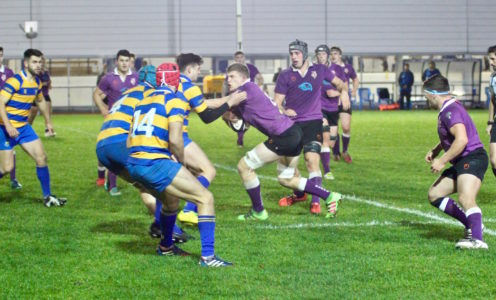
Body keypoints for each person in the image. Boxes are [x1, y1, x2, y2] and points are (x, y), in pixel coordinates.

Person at [127, 62, 233, 267]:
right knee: (205, 198)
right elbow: (175, 140)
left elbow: (129, 140)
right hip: (153, 162)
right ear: (176, 80)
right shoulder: (174, 100)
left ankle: (166, 247)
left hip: (134, 163)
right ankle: (208, 258)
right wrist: (181, 164)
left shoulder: (143, 100)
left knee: (171, 202)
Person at [226, 63, 342, 220]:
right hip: (292, 131)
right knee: (286, 178)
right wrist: (232, 119)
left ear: (243, 77)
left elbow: (219, 105)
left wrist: (200, 103)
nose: (228, 80)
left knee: (244, 166)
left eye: (232, 76)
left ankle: (258, 211)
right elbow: (242, 126)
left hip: (284, 135)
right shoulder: (244, 95)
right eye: (227, 77)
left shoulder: (247, 89)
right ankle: (329, 196)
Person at [275, 39, 350, 215]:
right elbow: (277, 103)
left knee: (311, 161)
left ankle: (316, 201)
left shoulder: (320, 70)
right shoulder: (285, 75)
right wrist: (284, 110)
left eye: (297, 53)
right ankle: (300, 194)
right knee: (289, 167)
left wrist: (344, 93)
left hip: (313, 122)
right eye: (291, 53)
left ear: (305, 54)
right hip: (292, 125)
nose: (294, 57)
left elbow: (340, 83)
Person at [173, 53, 247, 226]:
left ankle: (168, 223)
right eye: (198, 69)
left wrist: (230, 99)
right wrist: (229, 105)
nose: (199, 73)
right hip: (178, 137)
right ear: (190, 69)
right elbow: (206, 116)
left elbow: (203, 103)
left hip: (160, 136)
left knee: (184, 176)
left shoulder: (174, 84)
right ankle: (188, 210)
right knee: (208, 171)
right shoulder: (190, 87)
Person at [424, 74, 488, 249]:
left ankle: (477, 240)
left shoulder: (450, 111)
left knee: (465, 197)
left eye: (426, 94)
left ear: (433, 94)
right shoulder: (448, 109)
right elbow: (451, 136)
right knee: (434, 194)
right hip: (462, 160)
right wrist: (436, 149)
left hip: (472, 157)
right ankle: (471, 224)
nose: (425, 98)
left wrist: (442, 161)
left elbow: (461, 140)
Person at [0, 48, 66, 207]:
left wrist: (48, 121)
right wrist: (8, 125)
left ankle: (47, 197)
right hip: (4, 129)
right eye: (34, 62)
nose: (38, 65)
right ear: (26, 63)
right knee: (7, 168)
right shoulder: (15, 81)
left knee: (41, 157)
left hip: (23, 128)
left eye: (40, 62)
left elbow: (41, 101)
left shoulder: (36, 82)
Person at [93, 49, 138, 196]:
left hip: (131, 119)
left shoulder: (136, 77)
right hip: (114, 121)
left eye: (127, 61)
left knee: (131, 148)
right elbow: (96, 95)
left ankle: (133, 180)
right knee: (115, 149)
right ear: (116, 62)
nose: (124, 63)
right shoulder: (108, 78)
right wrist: (103, 110)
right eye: (122, 61)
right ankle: (112, 185)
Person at [315, 45, 345, 179]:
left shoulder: (337, 69)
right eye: (319, 54)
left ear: (327, 55)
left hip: (333, 108)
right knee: (326, 137)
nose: (321, 57)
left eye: (323, 54)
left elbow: (343, 85)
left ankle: (316, 149)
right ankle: (327, 171)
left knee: (332, 142)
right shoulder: (314, 69)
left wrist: (340, 93)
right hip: (320, 108)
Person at [222, 50, 262, 147]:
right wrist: (223, 97)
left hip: (248, 97)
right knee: (225, 117)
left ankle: (241, 135)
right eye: (237, 58)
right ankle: (240, 134)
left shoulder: (251, 68)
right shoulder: (231, 70)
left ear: (244, 58)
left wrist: (259, 88)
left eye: (241, 57)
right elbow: (225, 84)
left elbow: (260, 78)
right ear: (235, 59)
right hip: (235, 97)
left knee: (250, 118)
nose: (239, 59)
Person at [330, 47, 358, 163]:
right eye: (331, 54)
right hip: (331, 101)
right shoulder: (329, 68)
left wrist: (354, 90)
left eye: (335, 54)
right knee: (334, 129)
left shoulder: (347, 68)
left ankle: (345, 151)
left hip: (345, 101)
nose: (333, 56)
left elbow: (355, 79)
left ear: (340, 55)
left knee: (346, 127)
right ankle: (336, 153)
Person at [0, 46, 21, 190]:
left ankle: (13, 179)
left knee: (11, 148)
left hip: (6, 117)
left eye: (0, 55)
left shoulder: (9, 73)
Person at [28, 57, 55, 137]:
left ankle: (48, 130)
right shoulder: (35, 72)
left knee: (48, 112)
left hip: (45, 94)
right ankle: (27, 129)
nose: (41, 63)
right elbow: (34, 82)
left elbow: (49, 81)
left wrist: (49, 84)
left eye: (42, 61)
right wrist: (43, 84)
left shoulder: (46, 72)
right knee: (33, 112)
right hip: (36, 95)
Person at [486, 45, 496, 179]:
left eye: (493, 59)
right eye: (490, 59)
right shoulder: (493, 77)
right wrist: (490, 122)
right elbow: (493, 100)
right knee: (494, 160)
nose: (491, 62)